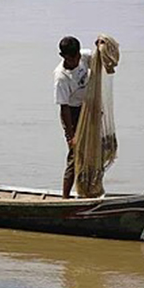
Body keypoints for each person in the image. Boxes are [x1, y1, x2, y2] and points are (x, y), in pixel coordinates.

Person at [54, 37, 92, 199]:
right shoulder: (61, 77)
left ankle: (90, 190)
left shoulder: (83, 56)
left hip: (88, 108)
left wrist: (103, 45)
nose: (77, 61)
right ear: (63, 56)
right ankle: (65, 197)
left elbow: (100, 58)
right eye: (72, 58)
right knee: (75, 154)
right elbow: (64, 108)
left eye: (77, 56)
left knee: (93, 150)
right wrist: (71, 136)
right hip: (73, 113)